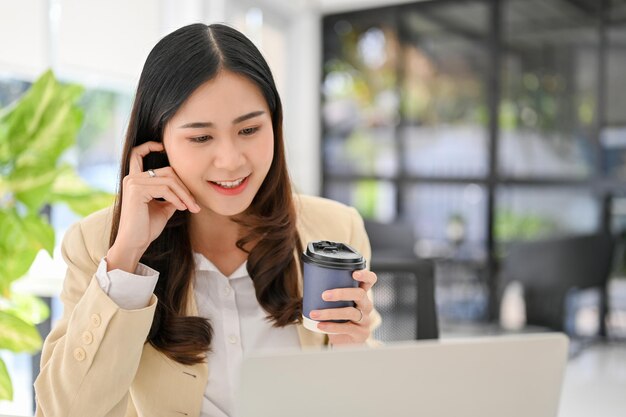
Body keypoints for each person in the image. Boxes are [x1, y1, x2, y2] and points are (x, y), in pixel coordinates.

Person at [34, 23, 381, 417]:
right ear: (157, 142)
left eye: (249, 129)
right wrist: (127, 256)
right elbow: (67, 410)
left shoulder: (335, 230)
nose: (231, 160)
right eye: (201, 138)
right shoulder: (100, 243)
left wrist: (352, 349)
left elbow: (362, 399)